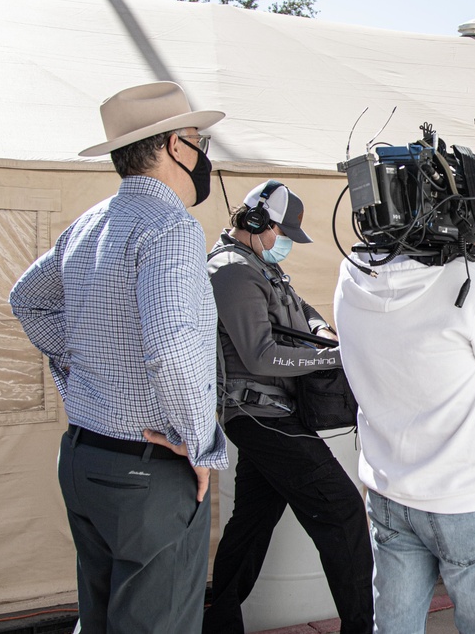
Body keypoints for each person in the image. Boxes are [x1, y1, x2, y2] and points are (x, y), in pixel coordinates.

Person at [9, 81, 228, 632]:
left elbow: (26, 300)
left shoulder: (90, 223)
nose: (204, 153)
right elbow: (175, 351)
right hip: (149, 472)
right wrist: (201, 446)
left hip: (85, 457)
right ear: (176, 145)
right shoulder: (171, 226)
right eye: (199, 139)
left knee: (101, 619)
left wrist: (83, 364)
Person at [334, 235, 475, 634]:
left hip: (390, 491)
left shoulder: (352, 276)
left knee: (394, 627)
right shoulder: (465, 281)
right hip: (467, 496)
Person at [203, 180, 373, 634]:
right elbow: (259, 355)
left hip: (273, 416)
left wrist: (324, 331)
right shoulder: (232, 271)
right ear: (257, 222)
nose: (286, 245)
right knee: (343, 512)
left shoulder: (259, 265)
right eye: (282, 233)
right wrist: (334, 356)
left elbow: (303, 311)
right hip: (263, 417)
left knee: (253, 523)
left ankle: (219, 625)